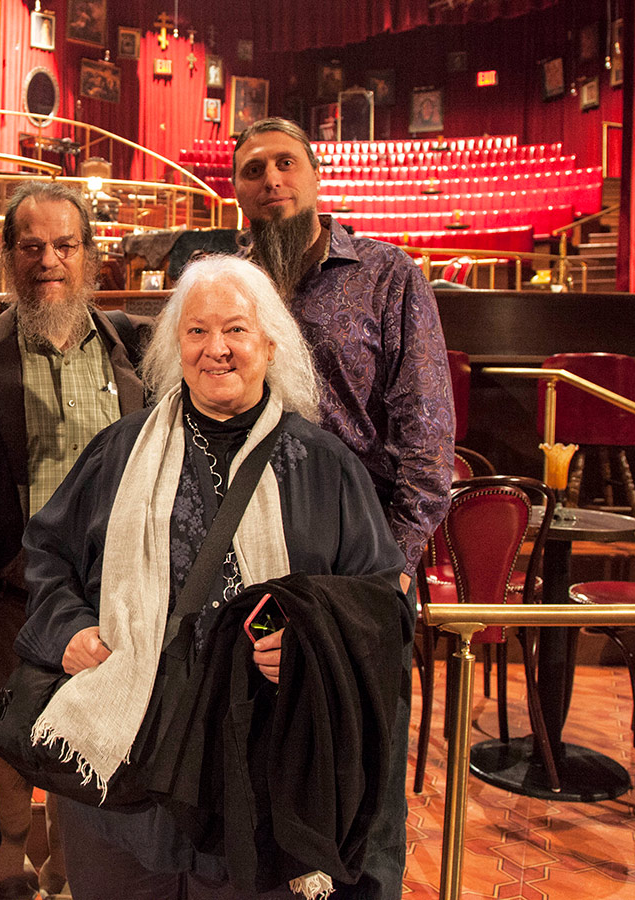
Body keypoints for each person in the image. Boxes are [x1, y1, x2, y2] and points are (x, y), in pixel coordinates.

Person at [15, 255, 410, 899]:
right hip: (128, 762)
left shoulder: (323, 464)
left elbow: (377, 603)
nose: (216, 349)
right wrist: (67, 629)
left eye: (235, 330)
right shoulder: (121, 450)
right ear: (176, 345)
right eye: (197, 331)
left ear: (270, 344)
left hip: (256, 764)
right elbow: (50, 553)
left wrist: (307, 644)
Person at [232, 117, 454, 900]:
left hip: (360, 561)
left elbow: (429, 436)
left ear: (316, 176)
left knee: (364, 770)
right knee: (260, 760)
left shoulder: (388, 276)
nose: (271, 180)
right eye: (253, 168)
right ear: (238, 191)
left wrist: (390, 568)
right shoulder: (229, 281)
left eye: (285, 163)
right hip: (251, 554)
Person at [0, 181, 152, 900]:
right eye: (30, 246)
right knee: (11, 746)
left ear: (90, 255)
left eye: (64, 245)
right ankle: (9, 872)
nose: (48, 260)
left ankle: (74, 876)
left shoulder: (138, 349)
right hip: (19, 594)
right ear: (7, 257)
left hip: (117, 601)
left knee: (98, 748)